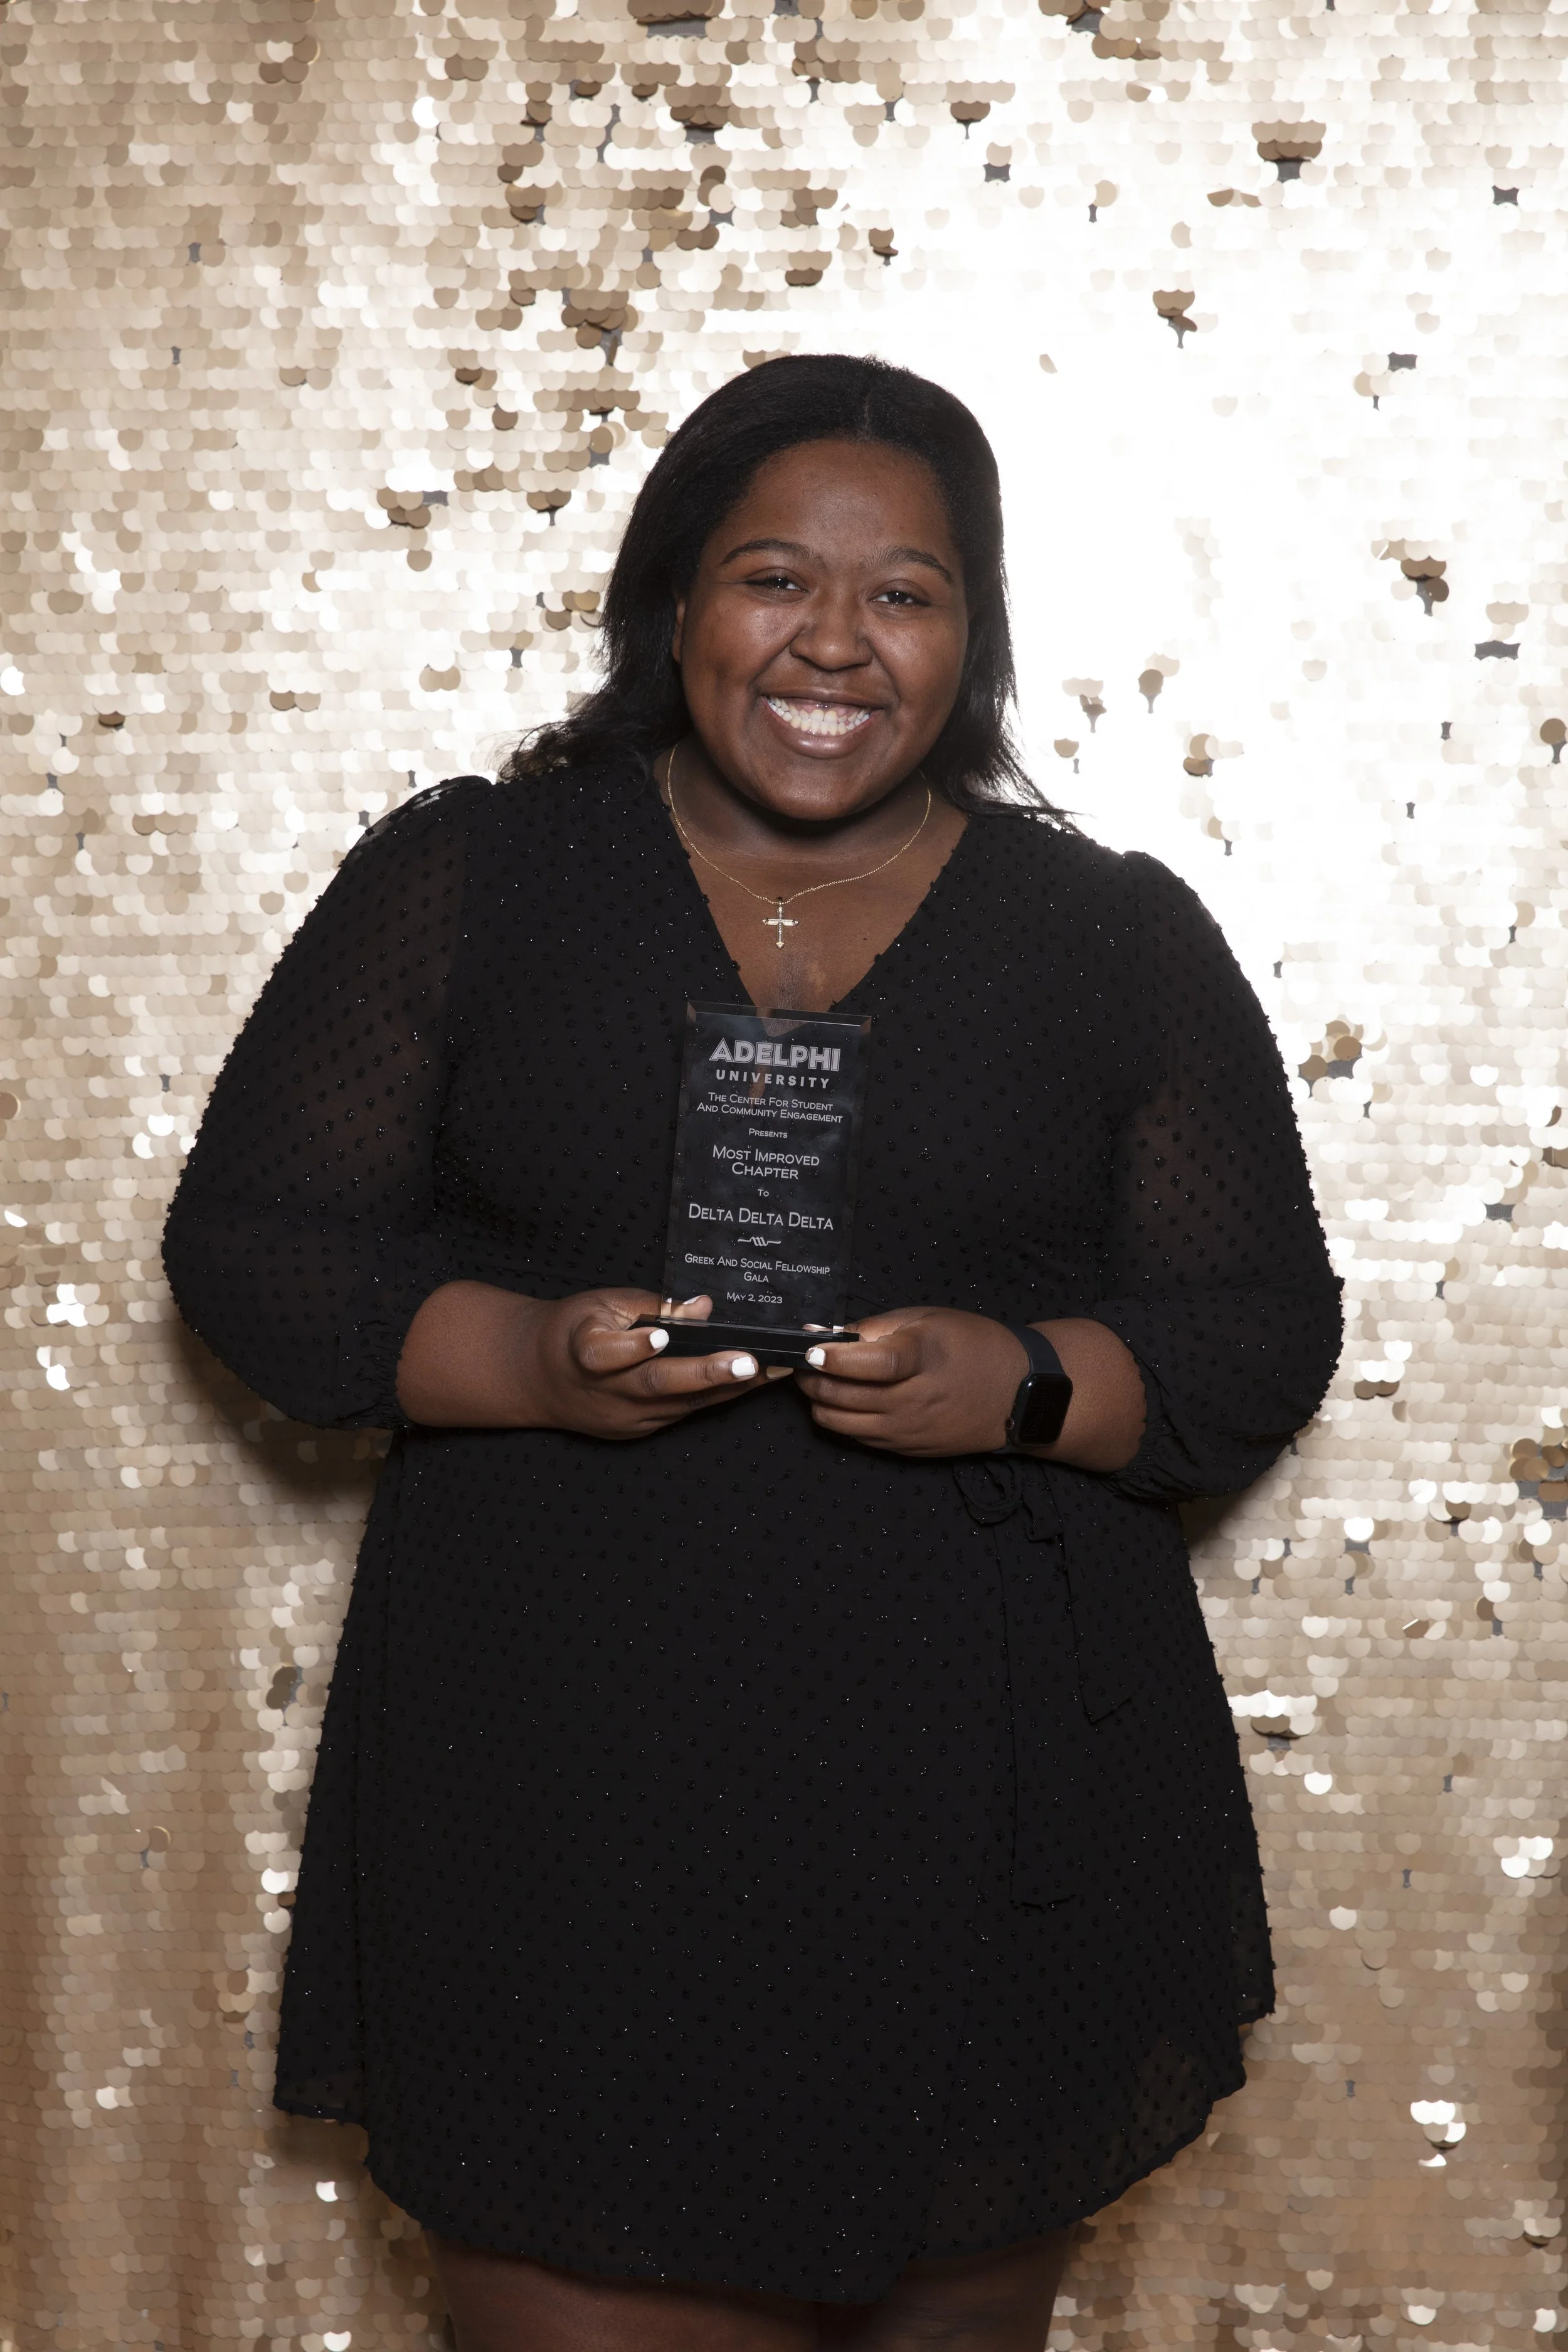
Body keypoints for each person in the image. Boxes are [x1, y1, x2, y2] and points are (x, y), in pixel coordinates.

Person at [163, 354, 1343, 2352]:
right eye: (771, 577)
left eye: (905, 594)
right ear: (671, 601)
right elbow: (256, 1249)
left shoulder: (1110, 935)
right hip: (557, 1790)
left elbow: (1257, 1326)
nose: (834, 643)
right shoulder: (476, 880)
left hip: (988, 1803)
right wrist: (524, 1357)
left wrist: (1025, 1380)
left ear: (971, 637)